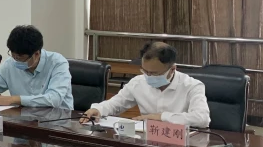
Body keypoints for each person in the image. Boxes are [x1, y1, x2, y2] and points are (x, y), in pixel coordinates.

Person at [81, 42, 210, 127]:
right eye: (145, 71)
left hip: (181, 143)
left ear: (172, 69)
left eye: (154, 73)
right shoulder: (138, 82)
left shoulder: (192, 86)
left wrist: (161, 117)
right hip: (147, 140)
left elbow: (202, 118)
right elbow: (116, 104)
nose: (148, 76)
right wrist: (98, 109)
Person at [0, 25, 73, 109]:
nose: (16, 60)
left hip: (58, 121)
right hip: (24, 119)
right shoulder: (10, 63)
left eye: (20, 57)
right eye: (13, 55)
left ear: (36, 54)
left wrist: (13, 99)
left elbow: (54, 99)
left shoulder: (57, 63)